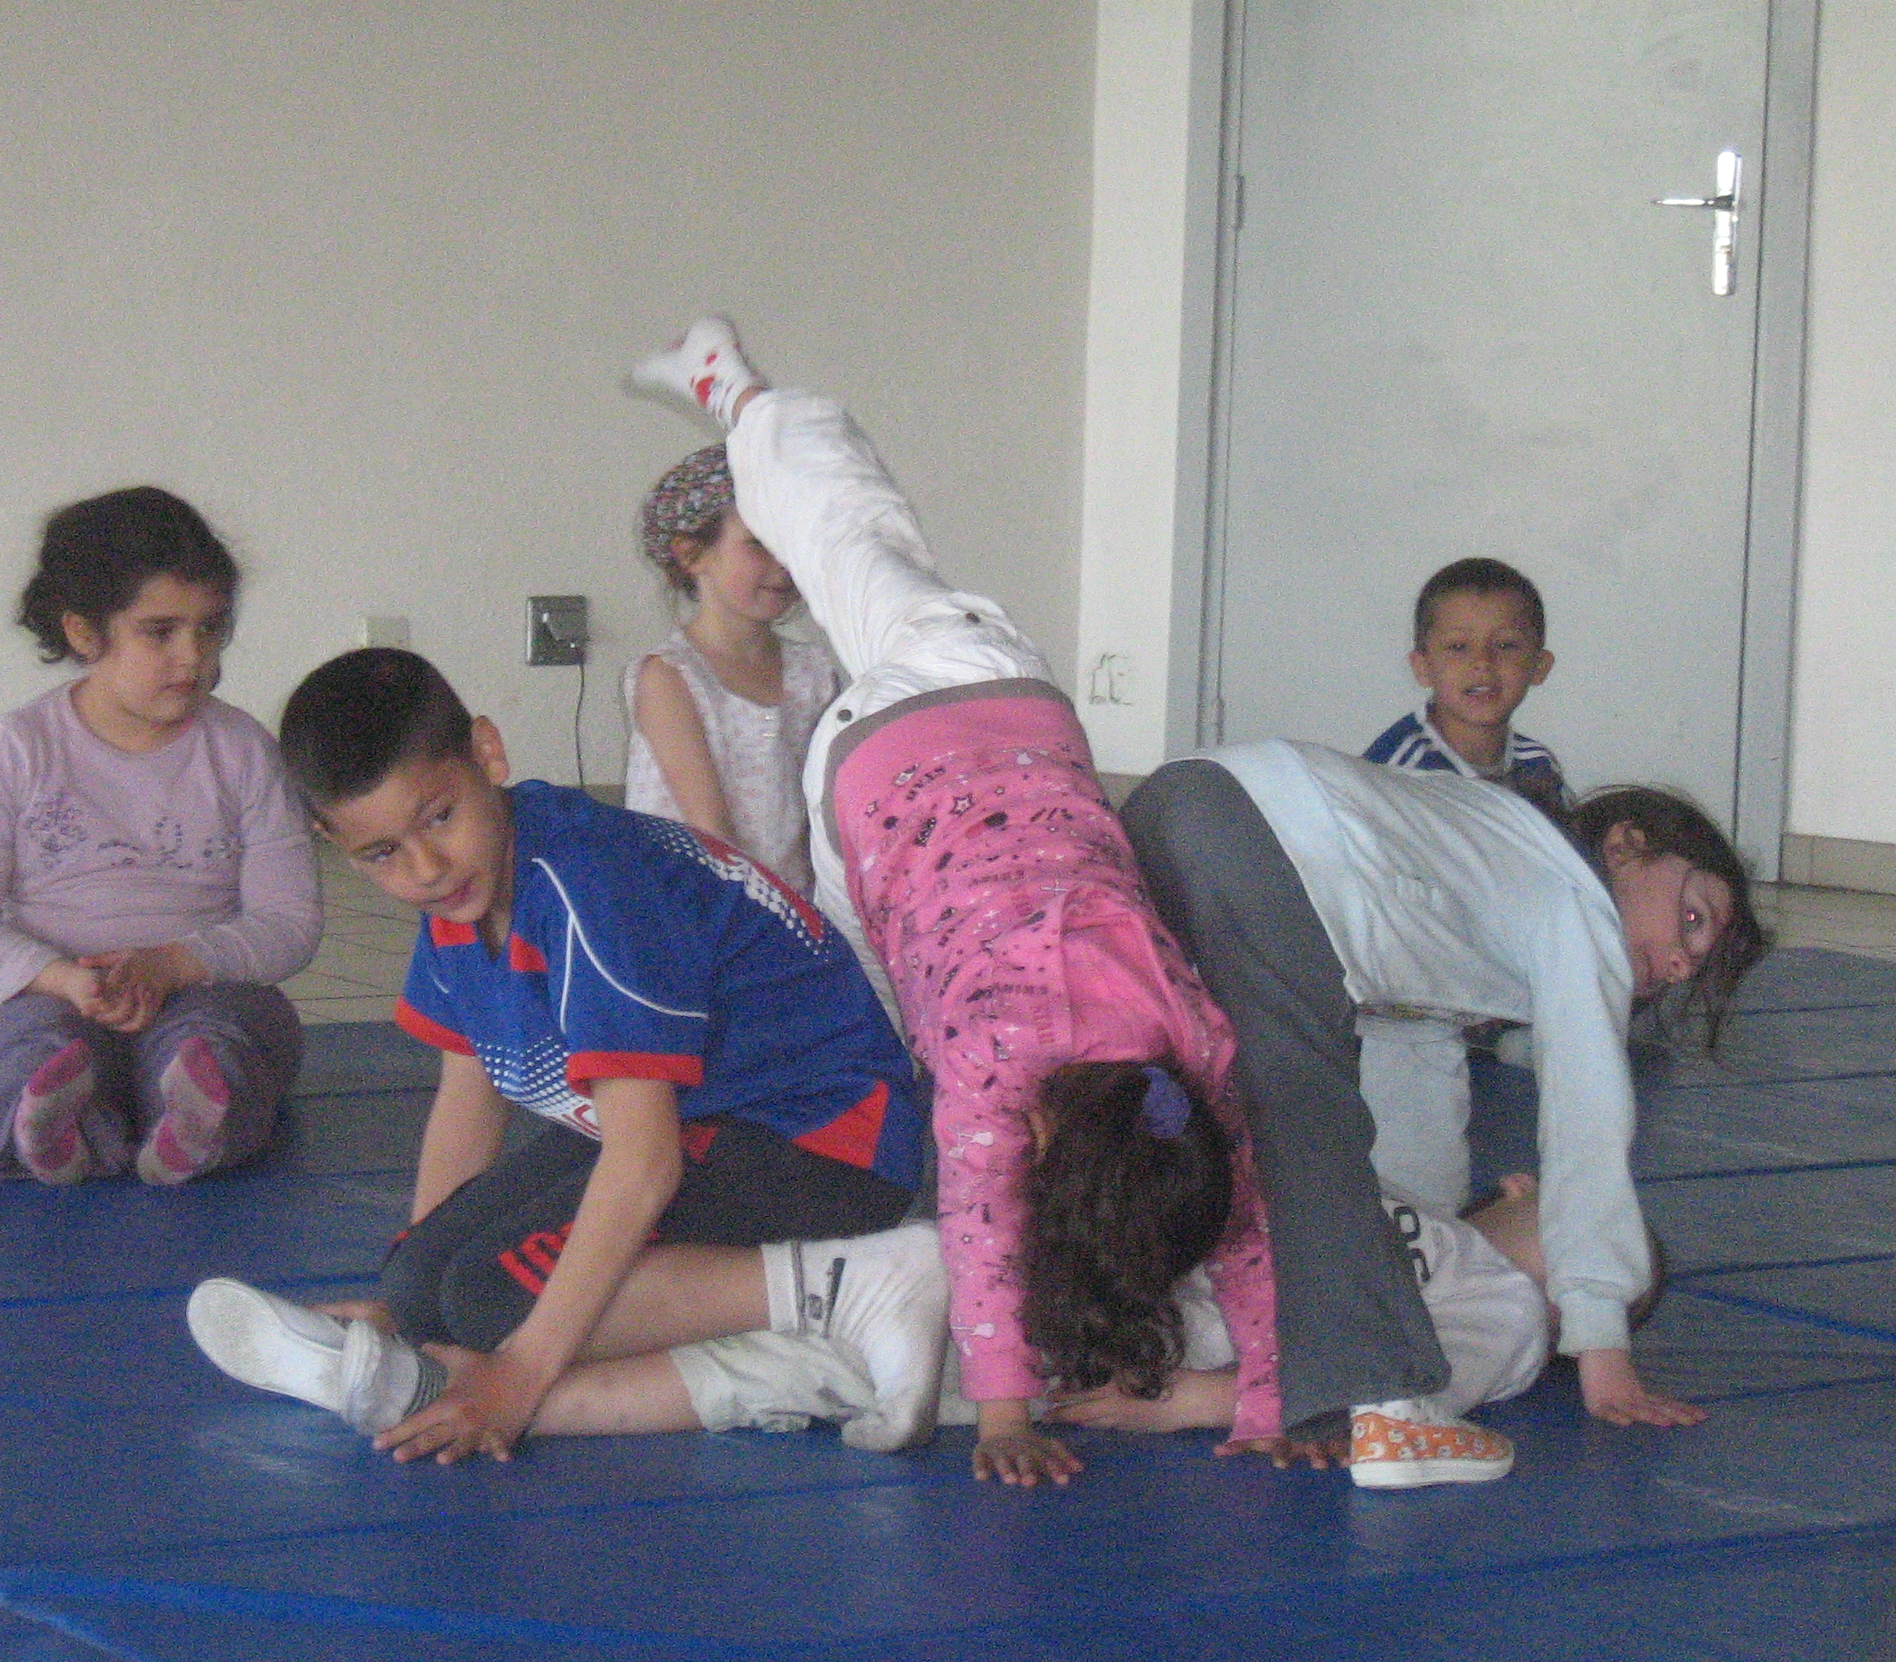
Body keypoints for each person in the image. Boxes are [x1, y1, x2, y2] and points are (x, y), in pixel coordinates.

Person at [627, 318, 1282, 1489]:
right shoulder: (999, 1067)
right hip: (881, 775)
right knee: (886, 1031)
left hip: (985, 713)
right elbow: (993, 1229)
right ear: (1046, 1142)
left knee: (856, 535)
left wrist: (1263, 1400)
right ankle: (738, 396)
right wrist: (1001, 1417)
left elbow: (1240, 1223)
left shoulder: (1195, 1045)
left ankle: (742, 400)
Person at [189, 647, 946, 1466]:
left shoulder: (589, 887)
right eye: (383, 854)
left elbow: (645, 1163)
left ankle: (853, 1291)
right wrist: (411, 1316)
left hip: (825, 1140)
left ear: (488, 753)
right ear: (337, 846)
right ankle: (463, 1347)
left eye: (439, 818)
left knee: (491, 1300)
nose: (426, 868)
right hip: (711, 1124)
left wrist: (519, 1371)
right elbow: (466, 1098)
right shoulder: (466, 894)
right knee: (423, 1283)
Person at [1121, 742, 1766, 1486]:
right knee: (1301, 1113)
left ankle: (1039, 1315)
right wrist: (1602, 1341)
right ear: (1626, 846)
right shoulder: (1579, 901)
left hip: (1175, 804)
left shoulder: (1490, 873)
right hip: (1260, 840)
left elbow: (1412, 1055)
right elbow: (1588, 1117)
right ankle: (1390, 1406)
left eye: (1696, 964)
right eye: (1692, 917)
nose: (1682, 961)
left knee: (1134, 1083)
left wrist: (1423, 1217)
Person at [0, 487, 320, 1185]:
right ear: (84, 634)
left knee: (244, 1032)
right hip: (54, 999)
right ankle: (50, 1118)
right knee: (9, 1038)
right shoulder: (17, 750)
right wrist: (57, 977)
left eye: (209, 628)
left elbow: (291, 921)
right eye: (160, 632)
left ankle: (197, 1118)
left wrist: (175, 965)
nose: (193, 656)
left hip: (200, 996)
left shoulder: (244, 752)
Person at [1054, 1173, 1621, 1486]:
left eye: (1614, 1293)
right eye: (1610, 1246)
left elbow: (1411, 1391)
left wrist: (1206, 1400)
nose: (1596, 1273)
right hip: (1168, 1245)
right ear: (1523, 1186)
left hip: (1181, 1331)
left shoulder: (1512, 1311)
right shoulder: (1420, 1201)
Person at [624, 444, 840, 894]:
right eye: (759, 544)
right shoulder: (669, 678)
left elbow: (830, 814)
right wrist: (768, 916)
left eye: (792, 542)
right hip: (703, 909)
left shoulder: (814, 674)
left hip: (795, 908)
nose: (784, 564)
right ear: (692, 555)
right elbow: (712, 832)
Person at [1365, 557, 1565, 810]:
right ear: (1423, 667)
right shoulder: (1396, 774)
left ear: (1539, 666)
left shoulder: (1538, 765)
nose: (1483, 662)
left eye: (1505, 645)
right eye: (1458, 647)